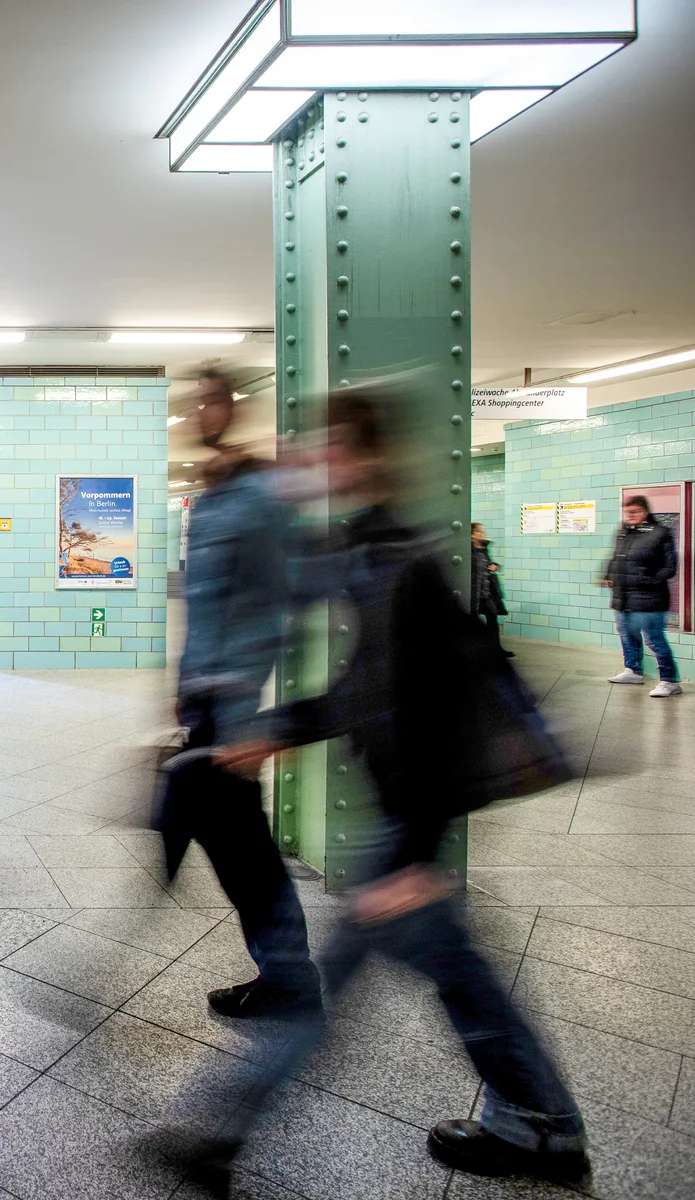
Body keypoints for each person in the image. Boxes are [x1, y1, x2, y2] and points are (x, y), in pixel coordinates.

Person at [187, 393, 589, 1188]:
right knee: (453, 963)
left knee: (331, 981)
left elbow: (435, 708)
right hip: (408, 817)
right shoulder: (367, 548)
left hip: (409, 817)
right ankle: (541, 1121)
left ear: (365, 456)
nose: (310, 464)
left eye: (325, 449)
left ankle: (219, 1137)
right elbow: (361, 689)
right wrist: (275, 728)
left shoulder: (401, 560)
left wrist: (413, 848)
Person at [170, 369, 319, 1019]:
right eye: (197, 401)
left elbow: (283, 605)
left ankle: (289, 976)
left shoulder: (260, 499)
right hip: (206, 695)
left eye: (213, 399)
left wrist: (258, 716)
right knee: (230, 841)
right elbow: (204, 606)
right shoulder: (213, 498)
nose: (203, 411)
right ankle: (286, 972)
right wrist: (183, 684)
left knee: (244, 848)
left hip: (233, 702)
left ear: (235, 406)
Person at [602, 496, 680, 697]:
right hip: (623, 596)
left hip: (650, 599)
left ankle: (670, 681)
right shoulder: (624, 531)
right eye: (628, 512)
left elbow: (670, 568)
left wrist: (647, 580)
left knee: (654, 640)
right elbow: (615, 557)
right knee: (627, 635)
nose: (631, 516)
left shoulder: (660, 533)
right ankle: (633, 670)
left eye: (635, 512)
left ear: (645, 511)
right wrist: (608, 575)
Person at [469, 523, 513, 657]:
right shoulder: (468, 551)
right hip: (473, 593)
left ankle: (496, 650)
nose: (481, 534)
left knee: (493, 620)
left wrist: (495, 566)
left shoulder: (483, 549)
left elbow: (487, 565)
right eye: (478, 532)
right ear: (471, 534)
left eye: (482, 532)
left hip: (486, 593)